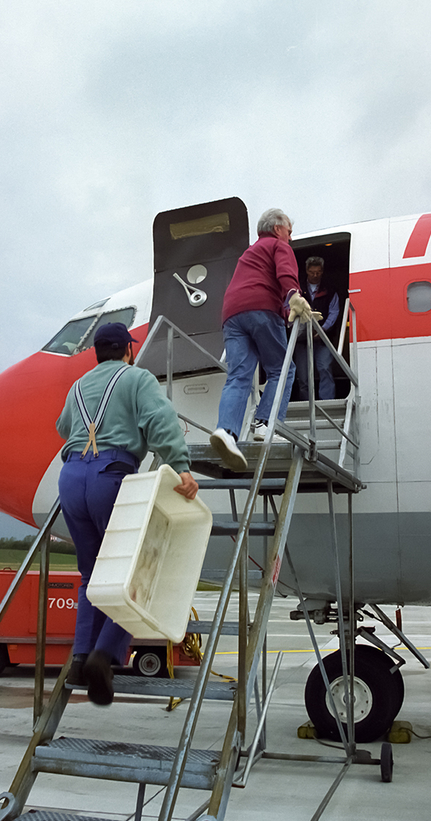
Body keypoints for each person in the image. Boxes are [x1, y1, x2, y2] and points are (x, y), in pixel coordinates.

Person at [56, 322, 199, 706]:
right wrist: (181, 465)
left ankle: (80, 657)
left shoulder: (77, 387)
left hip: (71, 478)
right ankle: (104, 656)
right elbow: (160, 420)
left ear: (98, 352)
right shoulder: (136, 378)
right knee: (131, 573)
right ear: (128, 350)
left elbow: (62, 427)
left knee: (91, 574)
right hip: (111, 475)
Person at [209, 208, 301, 471]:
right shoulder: (278, 246)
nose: (291, 238)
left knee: (238, 376)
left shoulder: (249, 253)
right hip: (261, 309)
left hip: (231, 314)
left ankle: (226, 431)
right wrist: (294, 295)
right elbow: (285, 273)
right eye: (289, 232)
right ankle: (266, 424)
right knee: (283, 369)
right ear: (276, 229)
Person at [295, 257, 340, 400]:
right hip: (302, 339)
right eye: (312, 272)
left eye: (318, 272)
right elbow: (289, 309)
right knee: (303, 376)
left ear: (322, 272)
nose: (315, 275)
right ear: (307, 271)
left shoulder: (330, 290)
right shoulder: (298, 290)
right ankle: (307, 404)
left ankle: (327, 403)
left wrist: (323, 329)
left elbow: (334, 312)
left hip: (323, 338)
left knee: (325, 368)